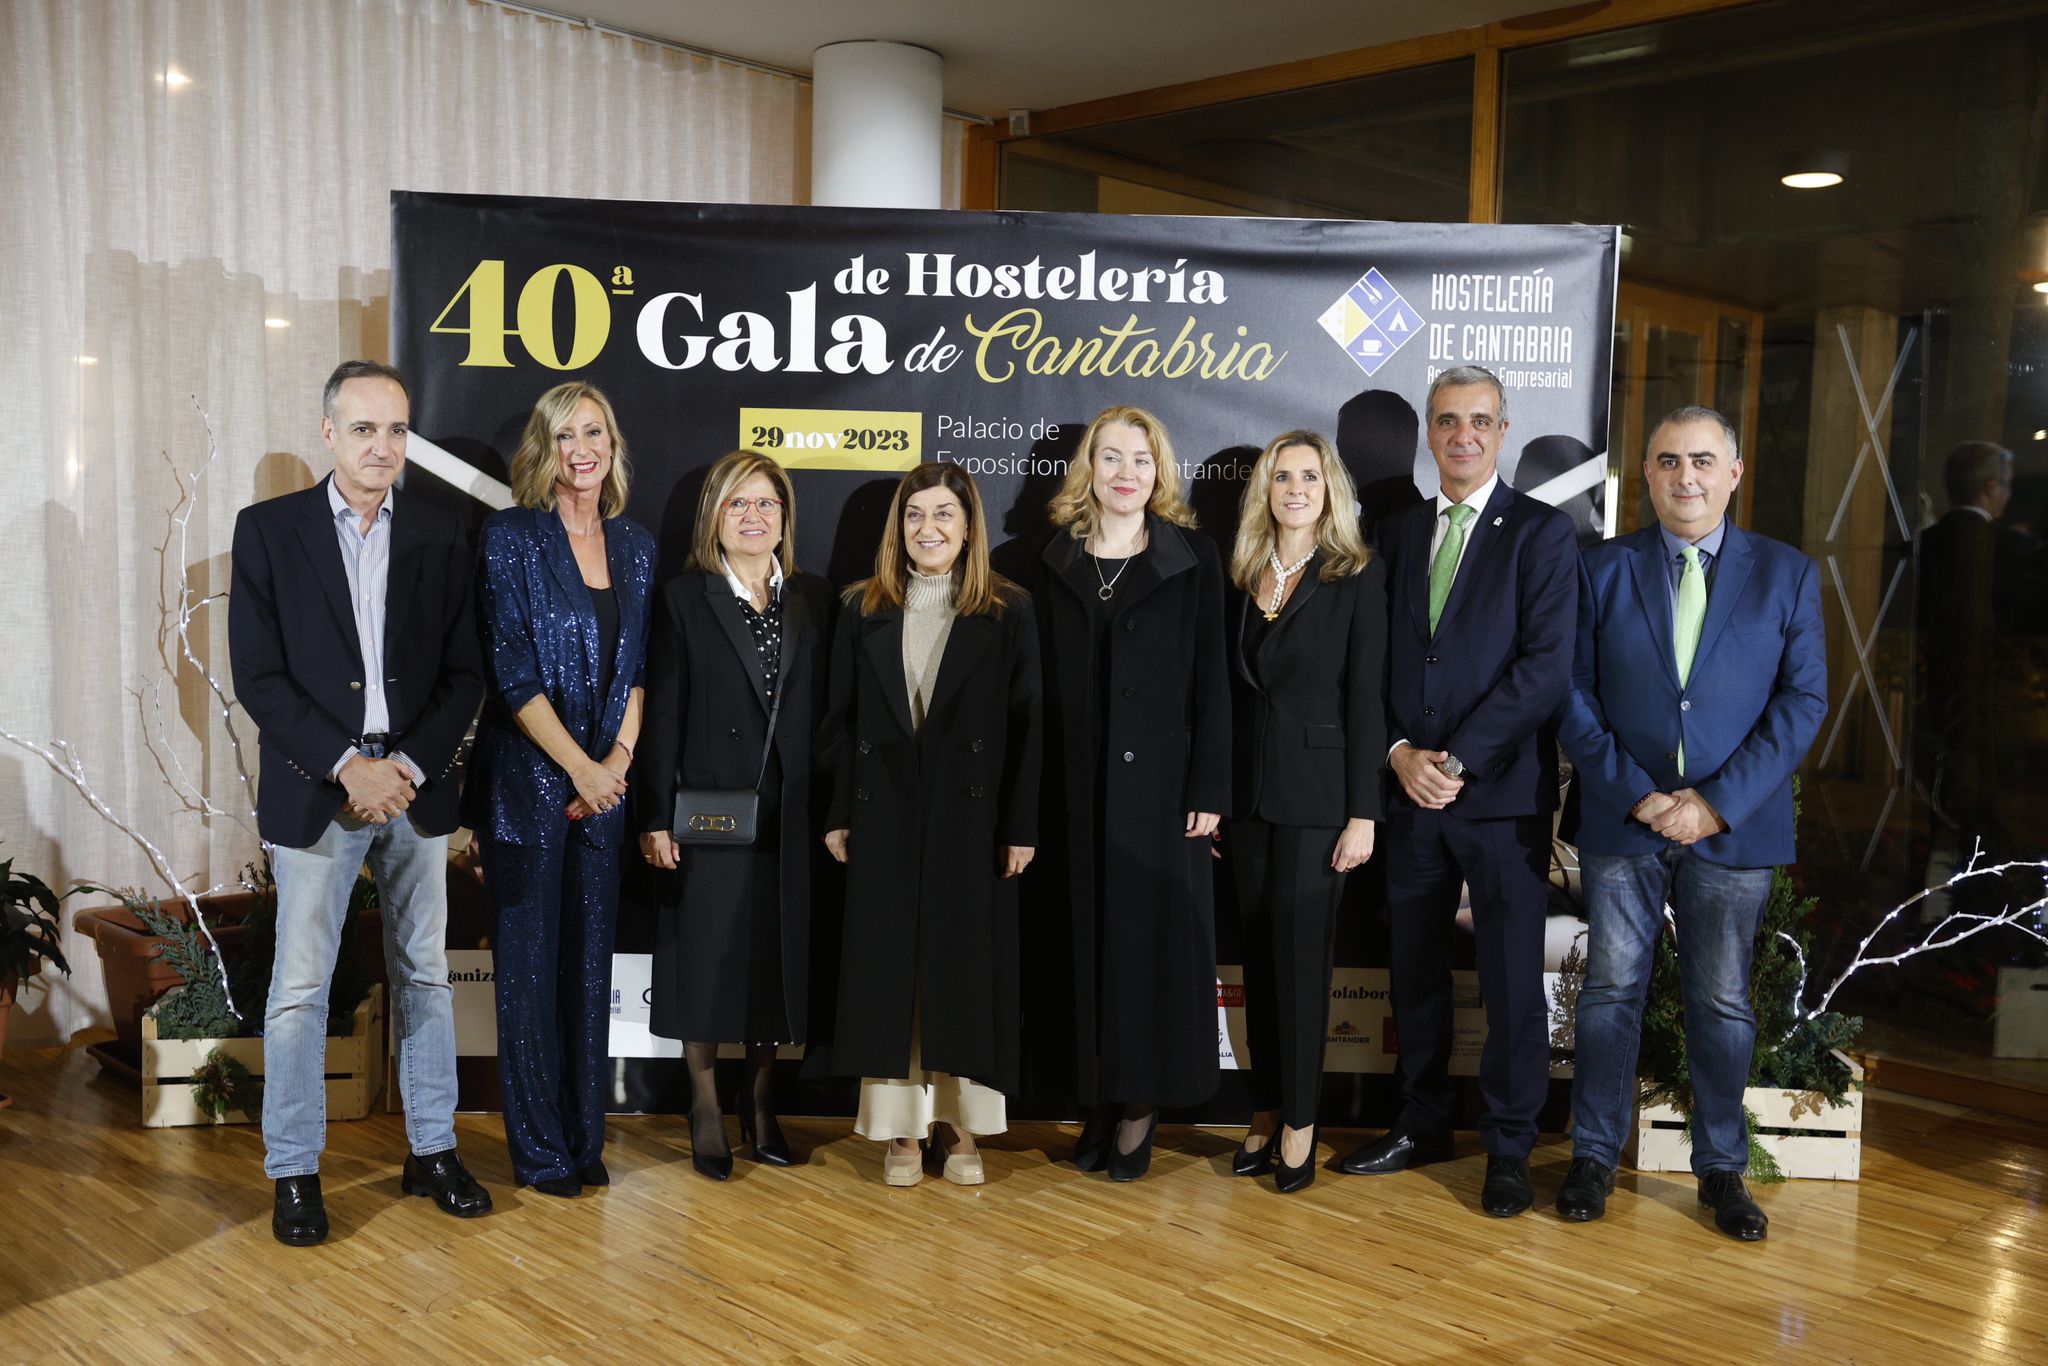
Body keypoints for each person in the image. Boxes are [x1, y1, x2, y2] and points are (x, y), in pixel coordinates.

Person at [229, 359, 489, 1245]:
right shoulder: (267, 531)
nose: (384, 447)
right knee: (299, 991)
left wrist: (405, 765)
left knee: (424, 975)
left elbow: (466, 673)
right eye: (366, 429)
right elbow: (258, 678)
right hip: (319, 788)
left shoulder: (443, 534)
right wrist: (349, 766)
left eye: (398, 430)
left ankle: (433, 1150)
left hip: (415, 788)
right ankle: (294, 1174)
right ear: (329, 433)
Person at [1556, 405, 1827, 1241]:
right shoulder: (1599, 570)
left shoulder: (1787, 575)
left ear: (1733, 473)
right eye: (1669, 461)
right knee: (1608, 993)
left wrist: (1712, 803)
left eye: (1703, 461)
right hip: (1622, 817)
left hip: (1732, 828)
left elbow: (1803, 700)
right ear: (1646, 475)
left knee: (1720, 1002)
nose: (1687, 477)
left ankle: (1721, 1170)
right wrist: (1638, 796)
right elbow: (1570, 694)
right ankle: (1594, 1157)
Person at [1338, 365, 1576, 1219]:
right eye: (1447, 420)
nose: (1463, 434)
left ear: (1503, 432)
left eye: (1480, 420)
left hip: (1500, 797)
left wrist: (1459, 760)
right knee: (1414, 974)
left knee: (1512, 982)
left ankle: (1508, 1147)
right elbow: (1372, 663)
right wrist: (1400, 753)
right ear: (1428, 435)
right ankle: (1422, 1124)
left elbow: (1546, 668)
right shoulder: (1395, 535)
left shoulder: (1542, 535)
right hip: (1408, 796)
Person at [813, 462, 1041, 1188]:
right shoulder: (861, 607)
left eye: (944, 514)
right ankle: (900, 1132)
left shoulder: (1009, 609)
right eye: (914, 516)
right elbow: (837, 722)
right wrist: (840, 811)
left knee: (963, 969)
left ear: (969, 526)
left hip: (970, 824)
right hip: (886, 815)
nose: (928, 529)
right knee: (891, 976)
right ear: (898, 529)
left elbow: (1030, 727)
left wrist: (1021, 825)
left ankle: (960, 1124)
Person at [1030, 404, 1231, 1181]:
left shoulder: (1195, 558)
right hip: (1075, 797)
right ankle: (1099, 1100)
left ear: (1160, 474)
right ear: (1089, 471)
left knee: (1151, 957)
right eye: (1111, 459)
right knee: (1086, 953)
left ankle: (1141, 1106)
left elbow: (1215, 682)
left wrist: (1210, 784)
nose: (1125, 475)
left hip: (1164, 800)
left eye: (1141, 461)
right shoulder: (1048, 561)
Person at [468, 381, 655, 1198]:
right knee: (529, 976)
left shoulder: (638, 547)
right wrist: (579, 768)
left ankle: (585, 1141)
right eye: (569, 434)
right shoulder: (510, 538)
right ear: (546, 450)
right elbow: (510, 672)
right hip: (528, 788)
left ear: (613, 445)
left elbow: (640, 671)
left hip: (604, 794)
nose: (585, 448)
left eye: (598, 432)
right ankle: (541, 1153)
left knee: (588, 973)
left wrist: (613, 764)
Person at [634, 450, 833, 1180]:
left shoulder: (815, 599)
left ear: (785, 519)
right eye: (737, 505)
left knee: (771, 965)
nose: (753, 518)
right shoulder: (684, 599)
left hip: (791, 815)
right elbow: (663, 716)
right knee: (703, 964)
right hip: (709, 817)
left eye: (767, 505)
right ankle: (705, 1104)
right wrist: (654, 817)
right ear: (714, 518)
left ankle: (759, 1100)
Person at [1223, 430, 1387, 1193]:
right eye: (1282, 476)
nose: (1295, 488)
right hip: (1250, 802)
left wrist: (1364, 813)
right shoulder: (1247, 571)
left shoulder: (1354, 575)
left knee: (1300, 968)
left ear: (1331, 490)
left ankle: (1300, 1121)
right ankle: (1263, 1106)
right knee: (1258, 963)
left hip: (1321, 802)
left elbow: (1365, 702)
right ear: (1266, 490)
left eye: (1310, 477)